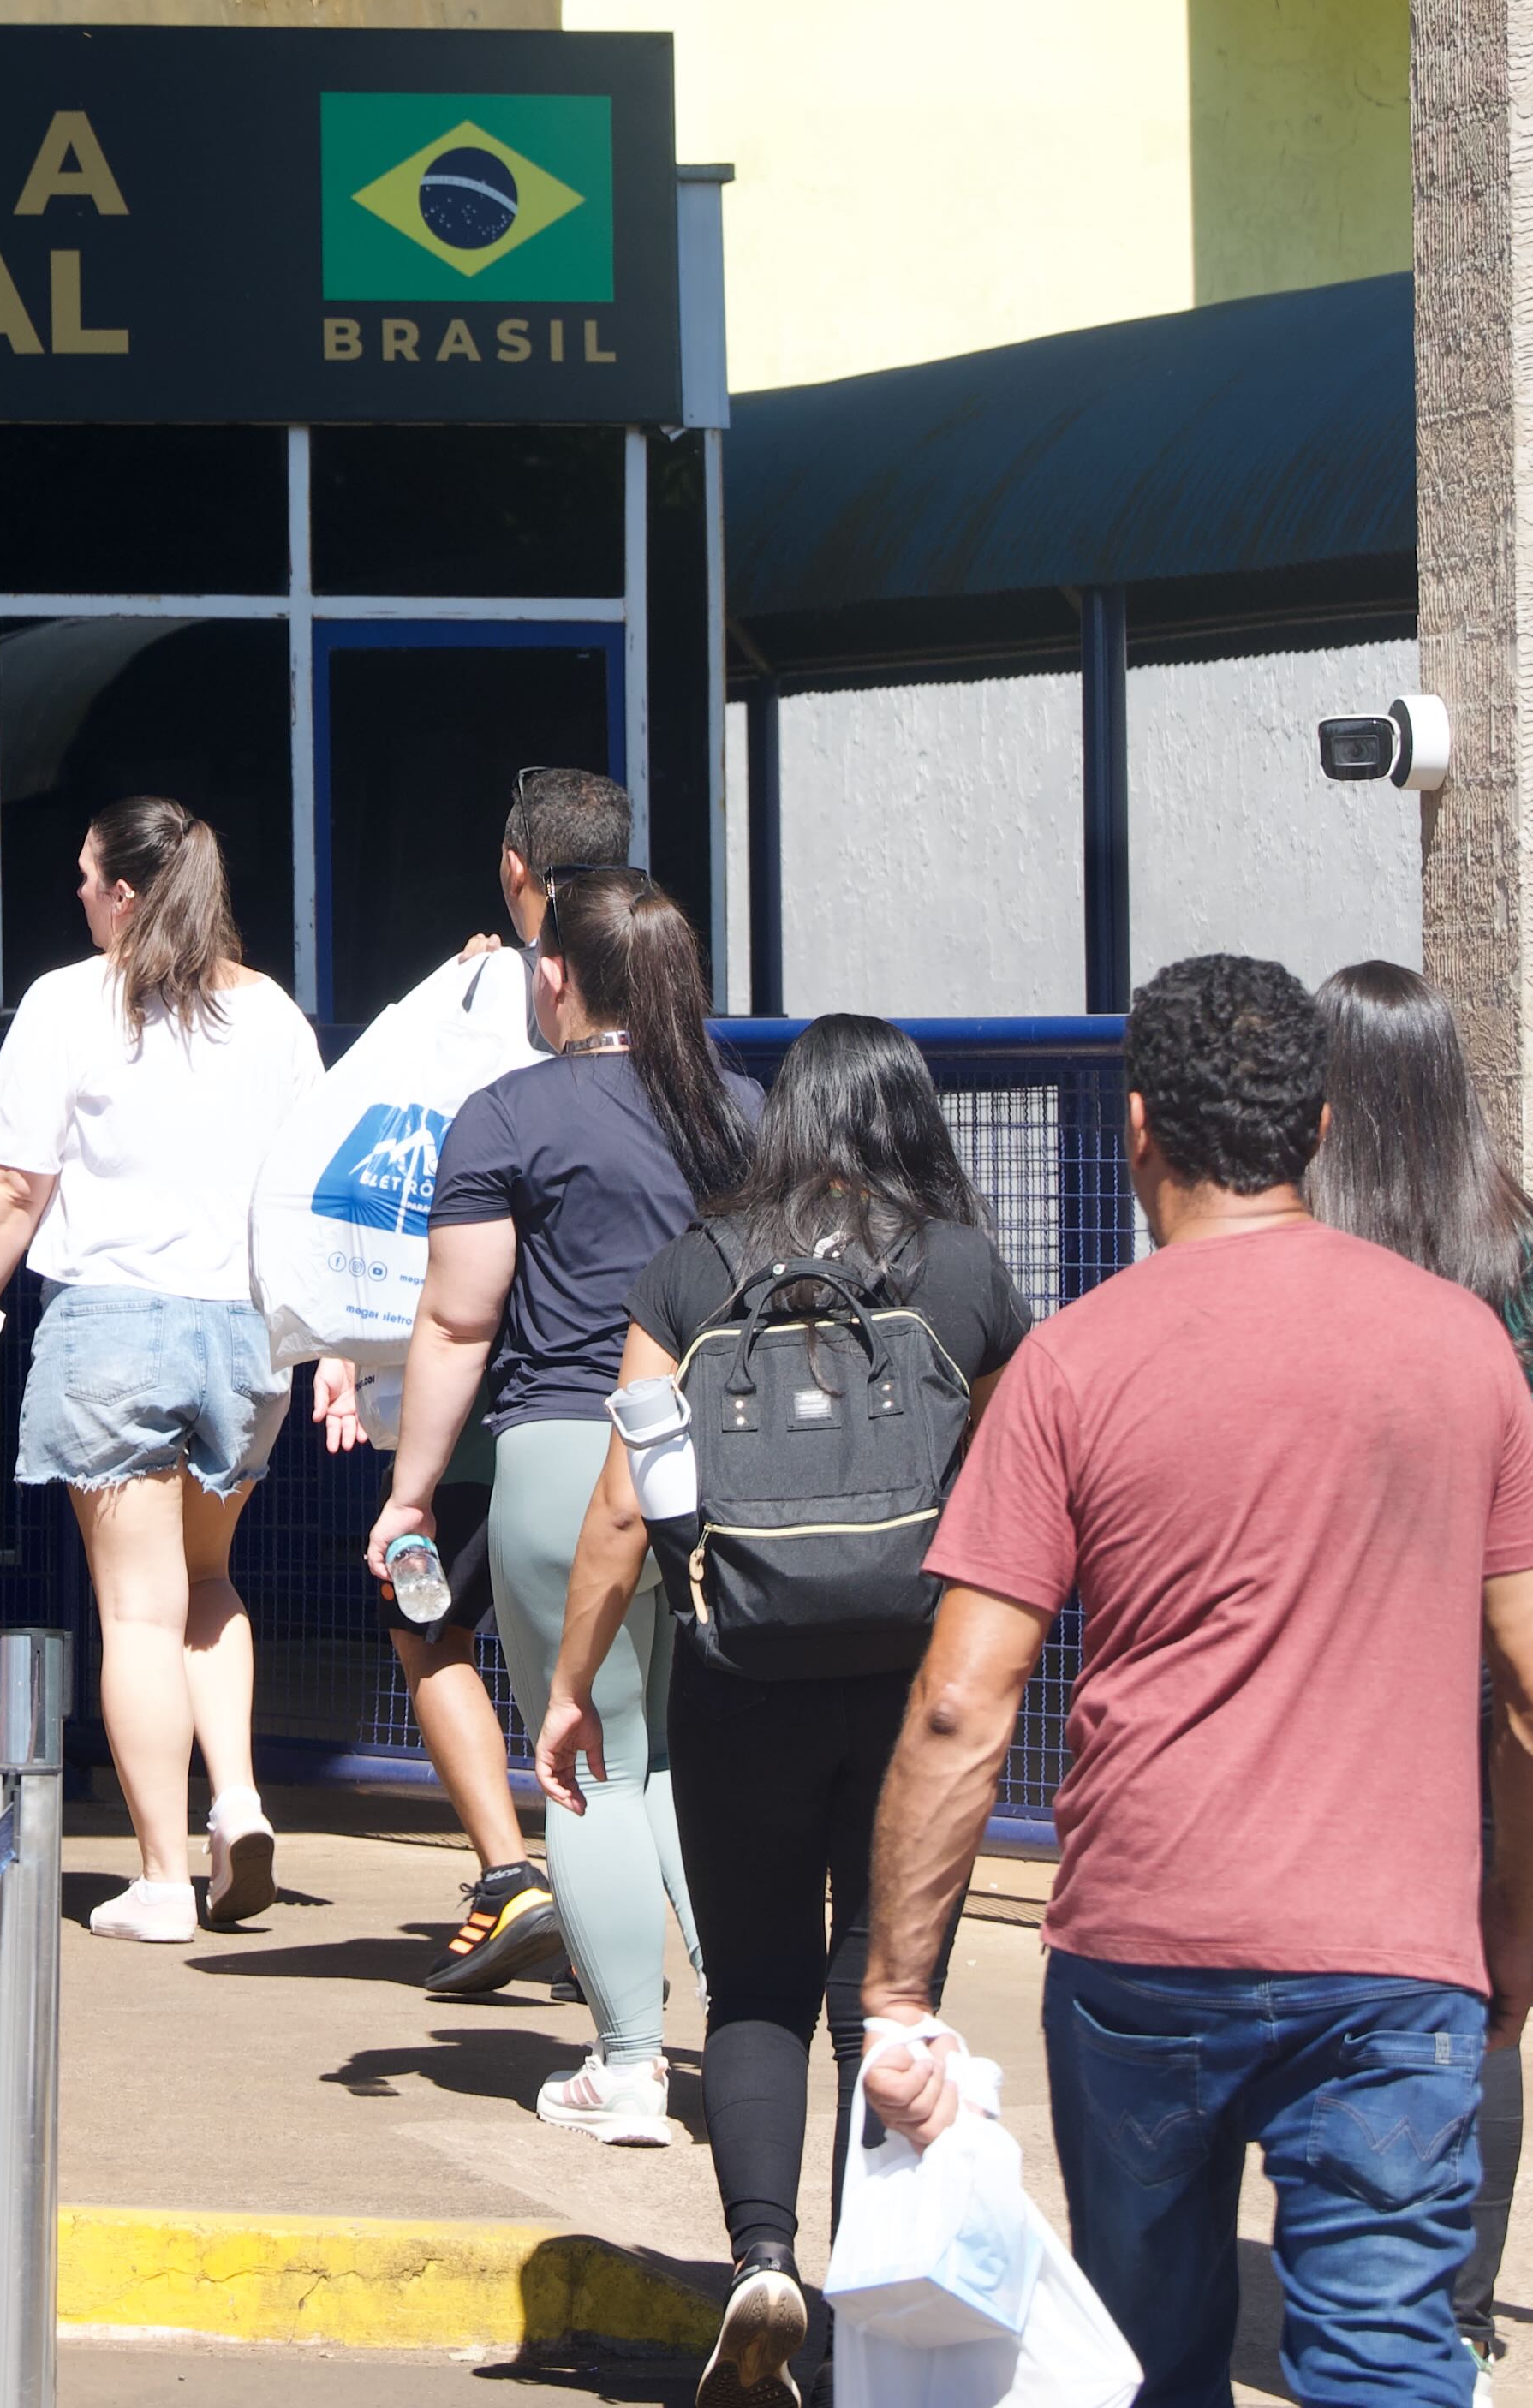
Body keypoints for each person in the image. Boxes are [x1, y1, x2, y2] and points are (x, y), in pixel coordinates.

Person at [862, 955, 1533, 2408]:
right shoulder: (1457, 1345)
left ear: (1136, 1125)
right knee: (1388, 2351)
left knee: (1146, 2352)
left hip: (1145, 1948)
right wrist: (1508, 1927)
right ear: (1320, 1128)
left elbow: (959, 1703)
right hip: (1395, 1959)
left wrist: (896, 1993)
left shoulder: (1070, 1364)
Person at [538, 1016, 1029, 2397]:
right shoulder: (964, 1273)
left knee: (753, 1986)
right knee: (890, 1992)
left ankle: (761, 2263)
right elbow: (1017, 1482)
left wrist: (572, 1690)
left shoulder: (694, 1269)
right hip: (910, 1686)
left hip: (736, 1673)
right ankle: (870, 2312)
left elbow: (624, 1504)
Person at [364, 862, 758, 2146]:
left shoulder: (508, 1114)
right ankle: (757, 2042)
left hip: (558, 1452)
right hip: (716, 1462)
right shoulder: (745, 1115)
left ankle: (629, 2067)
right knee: (701, 1766)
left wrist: (412, 1491)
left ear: (556, 978)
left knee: (591, 1758)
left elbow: (458, 1315)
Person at [1308, 959, 1533, 2364]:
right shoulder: (1532, 1245)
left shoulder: (1306, 1250)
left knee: (1349, 1955)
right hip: (1517, 1626)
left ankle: (1355, 2277)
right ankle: (1454, 2319)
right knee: (1486, 1964)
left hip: (1356, 1636)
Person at [0, 798, 321, 1940]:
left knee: (137, 1614)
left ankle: (158, 1876)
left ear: (127, 894)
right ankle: (236, 1799)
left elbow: (13, 1188)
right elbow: (308, 1193)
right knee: (209, 1586)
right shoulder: (276, 1017)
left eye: (91, 880)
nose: (82, 899)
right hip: (247, 1338)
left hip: (114, 1331)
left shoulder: (70, 1003)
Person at [309, 761, 631, 2000]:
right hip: (637, 1393)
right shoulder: (657, 980)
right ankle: (615, 1898)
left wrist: (345, 1337)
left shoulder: (484, 996)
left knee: (424, 1614)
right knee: (614, 1664)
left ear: (516, 872)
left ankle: (516, 1876)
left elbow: (397, 1194)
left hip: (506, 1399)